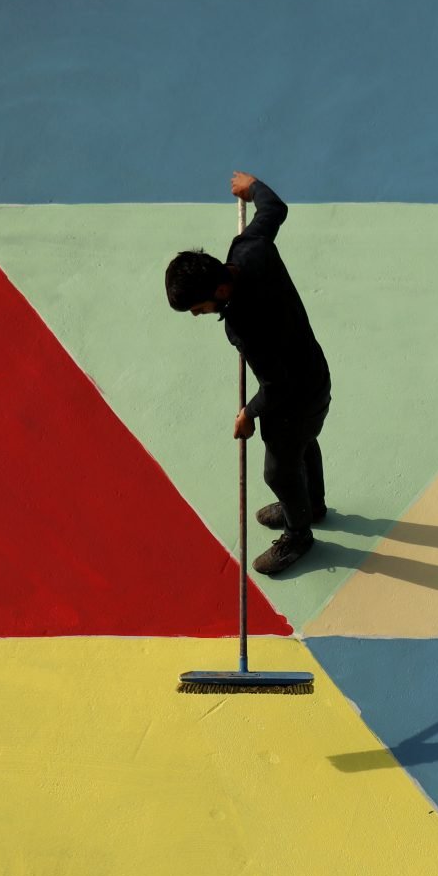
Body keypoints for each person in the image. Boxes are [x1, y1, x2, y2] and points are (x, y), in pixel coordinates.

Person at [165, 172, 331, 576]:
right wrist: (253, 187)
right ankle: (312, 504)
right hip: (315, 373)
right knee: (303, 443)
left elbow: (276, 386)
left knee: (278, 468)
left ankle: (299, 534)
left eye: (198, 307)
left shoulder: (244, 325)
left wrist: (248, 414)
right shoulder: (250, 249)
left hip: (294, 395)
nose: (197, 314)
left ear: (219, 292)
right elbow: (274, 209)